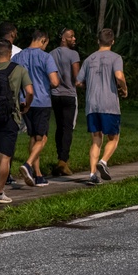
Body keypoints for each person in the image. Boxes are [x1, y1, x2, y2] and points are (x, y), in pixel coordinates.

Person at [0, 40, 33, 203]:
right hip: (10, 116)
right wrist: (26, 105)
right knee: (5, 155)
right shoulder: (19, 70)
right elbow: (30, 91)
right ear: (10, 54)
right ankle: (0, 192)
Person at [76, 28, 128, 185]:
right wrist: (124, 89)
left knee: (96, 138)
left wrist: (89, 85)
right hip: (109, 103)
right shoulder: (115, 57)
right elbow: (119, 76)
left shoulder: (89, 59)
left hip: (92, 104)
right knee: (114, 137)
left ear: (98, 41)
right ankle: (103, 162)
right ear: (112, 42)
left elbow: (78, 81)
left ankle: (92, 174)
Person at [11, 30, 60, 186]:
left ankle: (38, 175)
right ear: (43, 40)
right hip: (41, 101)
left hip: (24, 101)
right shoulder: (45, 57)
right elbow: (55, 81)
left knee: (33, 137)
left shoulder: (18, 57)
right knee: (42, 138)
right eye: (46, 44)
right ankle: (28, 164)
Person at [50, 28, 81, 176]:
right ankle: (64, 161)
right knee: (68, 128)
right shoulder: (73, 54)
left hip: (55, 95)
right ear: (63, 38)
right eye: (71, 37)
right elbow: (77, 77)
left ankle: (59, 158)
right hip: (69, 95)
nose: (74, 39)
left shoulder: (51, 54)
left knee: (59, 127)